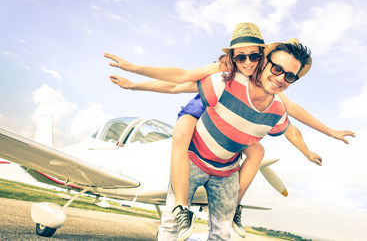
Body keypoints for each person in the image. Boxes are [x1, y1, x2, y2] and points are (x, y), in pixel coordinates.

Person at [106, 23, 354, 240]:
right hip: (202, 109)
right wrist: (134, 76)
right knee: (182, 132)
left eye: (253, 57)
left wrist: (325, 136)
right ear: (233, 57)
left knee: (257, 151)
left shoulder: (273, 93)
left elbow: (293, 116)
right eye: (241, 57)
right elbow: (178, 80)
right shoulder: (223, 73)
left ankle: (234, 205)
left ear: (262, 56)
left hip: (231, 133)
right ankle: (182, 208)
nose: (247, 63)